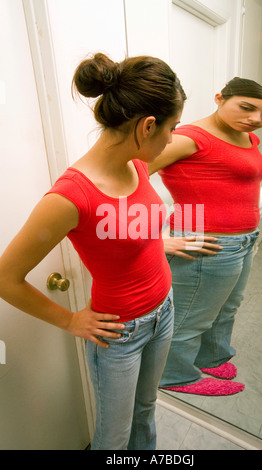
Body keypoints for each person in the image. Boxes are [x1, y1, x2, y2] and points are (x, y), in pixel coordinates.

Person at [0, 53, 188, 450]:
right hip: (120, 333)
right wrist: (70, 321)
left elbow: (127, 227)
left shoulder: (137, 164)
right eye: (171, 128)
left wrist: (158, 241)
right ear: (147, 126)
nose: (172, 138)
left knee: (146, 410)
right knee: (114, 438)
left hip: (164, 310)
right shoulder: (70, 196)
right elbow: (5, 277)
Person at [148, 77, 262, 396]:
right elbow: (123, 177)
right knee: (191, 313)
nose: (255, 120)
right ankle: (173, 375)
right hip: (206, 242)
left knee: (227, 306)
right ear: (220, 98)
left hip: (244, 238)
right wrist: (153, 238)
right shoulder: (189, 138)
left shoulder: (247, 137)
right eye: (246, 108)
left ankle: (211, 355)